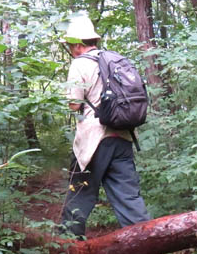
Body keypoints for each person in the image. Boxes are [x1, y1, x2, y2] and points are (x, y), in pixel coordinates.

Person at [59, 15, 150, 237]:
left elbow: (74, 104)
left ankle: (67, 250)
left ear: (79, 44)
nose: (71, 50)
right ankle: (147, 242)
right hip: (123, 136)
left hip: (94, 141)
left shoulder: (80, 64)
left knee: (80, 192)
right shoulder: (114, 59)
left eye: (71, 45)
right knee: (128, 198)